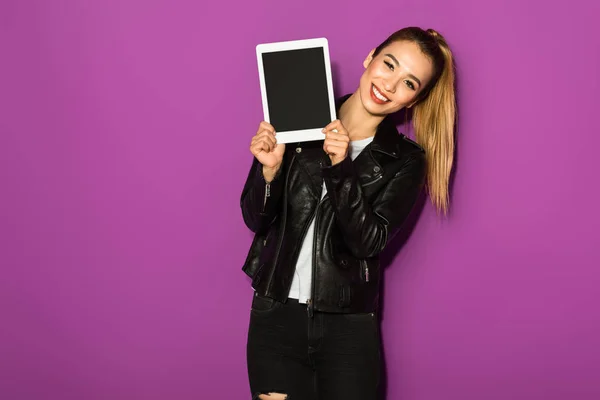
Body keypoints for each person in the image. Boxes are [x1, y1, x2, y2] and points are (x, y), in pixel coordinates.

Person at [240, 27, 456, 400]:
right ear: (371, 56)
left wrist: (341, 166)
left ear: (413, 100)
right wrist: (269, 171)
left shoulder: (405, 161)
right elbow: (255, 219)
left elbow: (367, 242)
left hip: (347, 328)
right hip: (276, 317)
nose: (389, 84)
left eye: (408, 83)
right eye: (388, 64)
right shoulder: (298, 116)